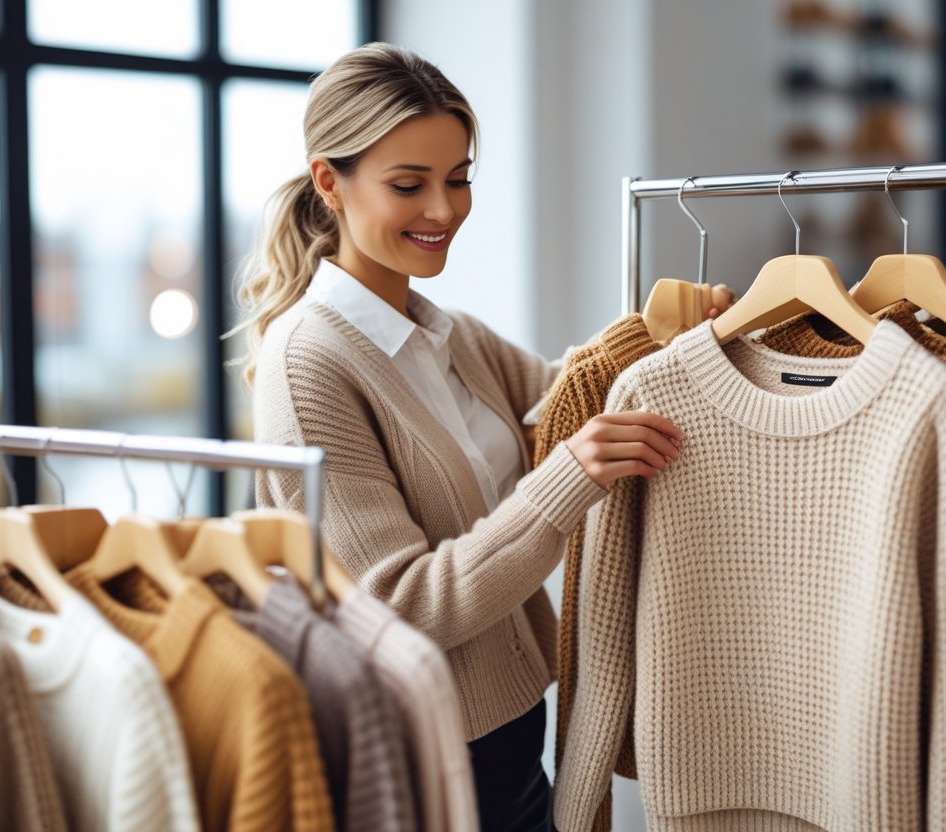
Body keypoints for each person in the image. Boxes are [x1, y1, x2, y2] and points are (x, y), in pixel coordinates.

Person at [234, 42, 730, 832]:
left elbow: (565, 397)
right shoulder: (311, 365)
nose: (443, 210)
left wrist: (676, 330)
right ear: (329, 181)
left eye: (459, 179)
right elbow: (398, 604)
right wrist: (569, 481)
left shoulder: (443, 332)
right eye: (409, 185)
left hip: (505, 728)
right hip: (418, 752)